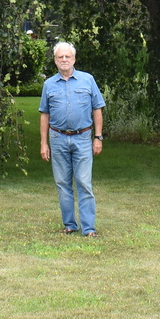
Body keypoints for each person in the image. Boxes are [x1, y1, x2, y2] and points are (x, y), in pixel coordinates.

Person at [38, 40, 105, 236]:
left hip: (83, 138)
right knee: (62, 183)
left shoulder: (87, 80)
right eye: (60, 57)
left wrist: (98, 137)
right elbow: (44, 115)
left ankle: (89, 229)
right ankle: (70, 224)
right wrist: (44, 143)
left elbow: (97, 109)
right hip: (57, 139)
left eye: (68, 56)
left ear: (74, 59)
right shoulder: (48, 84)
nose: (64, 60)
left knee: (84, 182)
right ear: (55, 61)